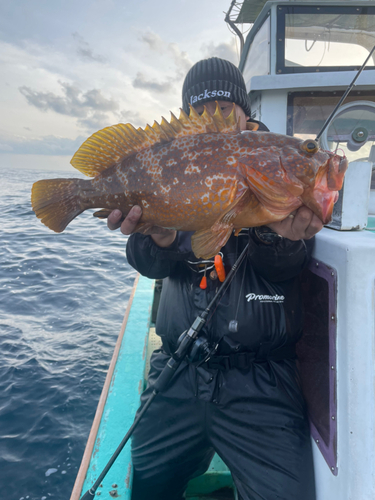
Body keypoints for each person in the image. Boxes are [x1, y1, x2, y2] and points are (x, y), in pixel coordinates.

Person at [108, 57, 322, 500]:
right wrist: (162, 239)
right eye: (204, 112)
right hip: (176, 372)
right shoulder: (178, 163)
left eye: (227, 108)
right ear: (190, 117)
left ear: (246, 113)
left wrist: (277, 236)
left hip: (261, 383)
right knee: (141, 485)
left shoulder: (276, 163)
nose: (218, 119)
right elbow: (146, 263)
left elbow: (289, 267)